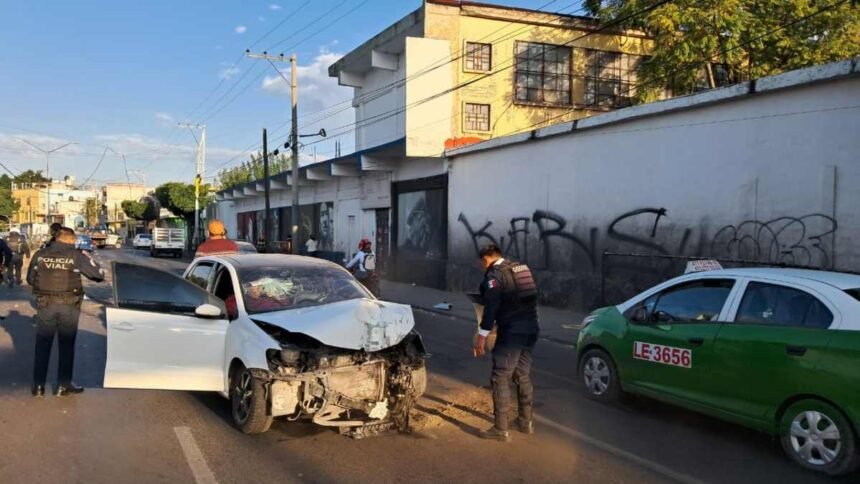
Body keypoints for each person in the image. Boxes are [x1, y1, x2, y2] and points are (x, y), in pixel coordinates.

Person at [26, 227, 105, 397]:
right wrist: (87, 257)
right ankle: (63, 385)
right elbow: (98, 275)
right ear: (71, 240)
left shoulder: (40, 254)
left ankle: (38, 387)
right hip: (69, 305)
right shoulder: (76, 256)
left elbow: (30, 279)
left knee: (42, 345)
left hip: (45, 303)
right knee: (66, 346)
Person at [473, 243, 539, 442]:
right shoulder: (522, 268)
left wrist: (482, 335)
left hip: (512, 332)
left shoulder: (495, 276)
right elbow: (532, 297)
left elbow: (491, 307)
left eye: (482, 264)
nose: (482, 267)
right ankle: (525, 422)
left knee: (501, 376)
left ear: (486, 259)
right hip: (531, 328)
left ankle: (500, 429)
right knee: (522, 374)